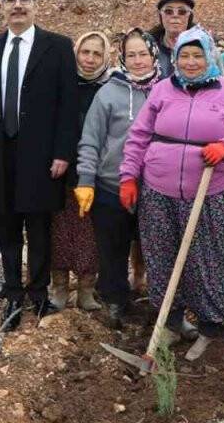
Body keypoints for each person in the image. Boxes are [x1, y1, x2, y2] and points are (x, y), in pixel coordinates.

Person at [119, 27, 224, 361]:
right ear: (176, 58)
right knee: (161, 256)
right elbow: (139, 135)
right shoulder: (163, 90)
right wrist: (128, 176)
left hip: (208, 190)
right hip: (159, 189)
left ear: (209, 57)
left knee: (207, 258)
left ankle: (211, 324)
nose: (191, 62)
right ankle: (171, 322)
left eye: (198, 55)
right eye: (185, 55)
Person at [0, 0, 79, 330]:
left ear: (35, 5)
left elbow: (68, 105)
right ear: (2, 6)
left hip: (42, 155)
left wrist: (63, 152)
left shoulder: (58, 47)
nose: (17, 5)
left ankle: (38, 293)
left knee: (40, 228)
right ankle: (14, 293)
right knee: (7, 228)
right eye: (11, 0)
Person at [75, 28, 160, 328]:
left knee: (158, 249)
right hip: (111, 185)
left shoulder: (167, 91)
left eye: (143, 54)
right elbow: (90, 140)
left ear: (154, 55)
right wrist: (86, 180)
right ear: (122, 58)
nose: (138, 61)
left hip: (156, 188)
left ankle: (164, 306)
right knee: (112, 249)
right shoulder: (108, 93)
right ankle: (115, 302)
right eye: (131, 55)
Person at [51, 31, 110, 311]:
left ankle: (87, 289)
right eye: (85, 52)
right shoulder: (62, 83)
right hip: (61, 171)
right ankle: (60, 287)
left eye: (97, 54)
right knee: (59, 233)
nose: (90, 59)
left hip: (95, 172)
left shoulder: (109, 88)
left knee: (90, 236)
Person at [149, 0, 196, 78]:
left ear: (189, 16)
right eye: (168, 11)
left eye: (182, 12)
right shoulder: (148, 48)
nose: (175, 15)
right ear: (161, 16)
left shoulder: (205, 49)